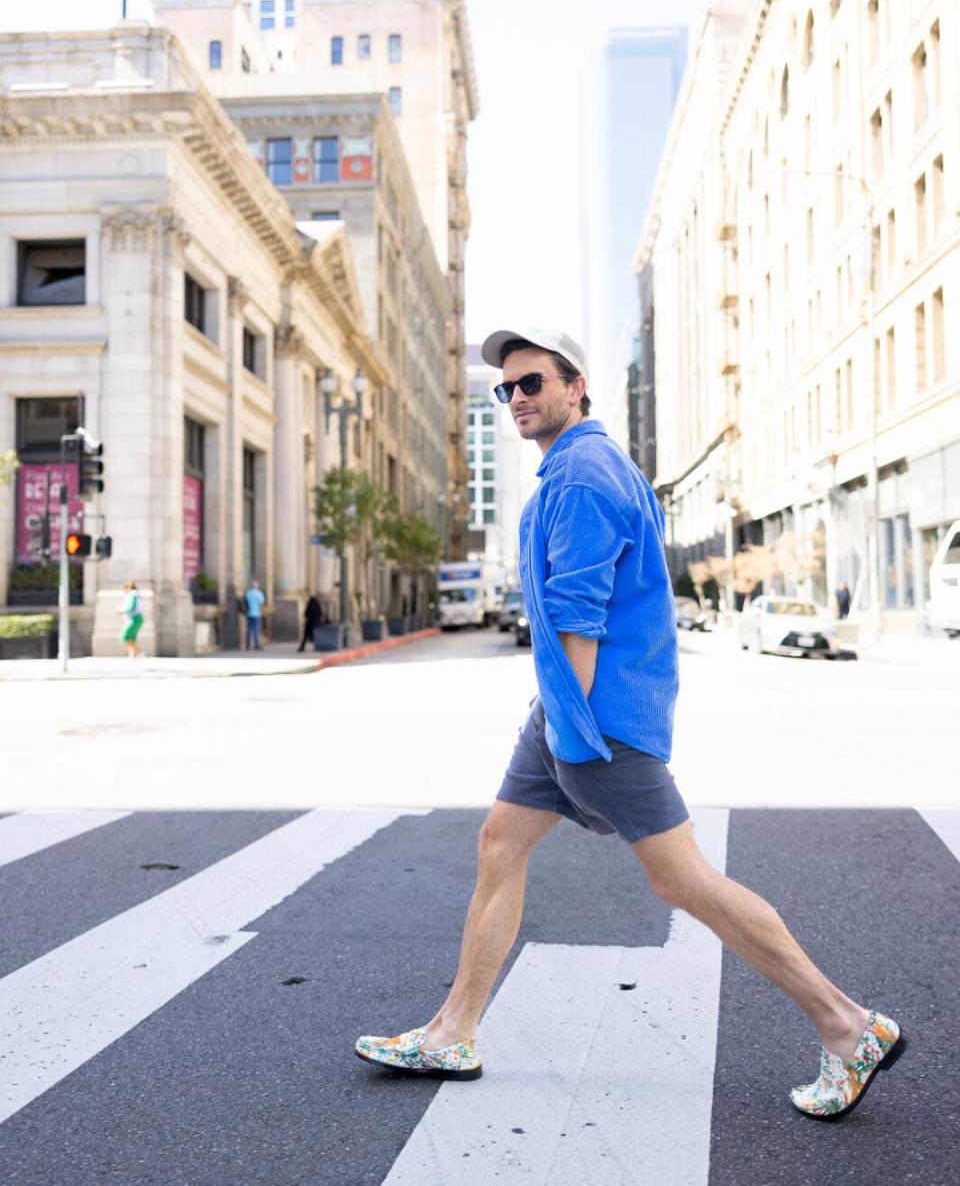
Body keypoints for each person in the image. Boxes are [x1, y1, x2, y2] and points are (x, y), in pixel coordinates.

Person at [355, 326, 906, 1119]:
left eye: (533, 383)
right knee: (499, 845)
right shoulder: (585, 467)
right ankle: (453, 1030)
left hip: (597, 720)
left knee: (681, 880)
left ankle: (849, 1025)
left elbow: (580, 611)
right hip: (568, 710)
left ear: (576, 386)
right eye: (506, 389)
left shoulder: (580, 476)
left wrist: (571, 731)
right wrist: (552, 715)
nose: (517, 399)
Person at [118, 580, 144, 659]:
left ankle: (139, 652)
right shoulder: (135, 594)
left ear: (127, 588)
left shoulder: (132, 594)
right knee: (132, 637)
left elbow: (131, 606)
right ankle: (133, 655)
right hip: (137, 618)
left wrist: (122, 610)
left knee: (125, 636)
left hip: (134, 618)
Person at [244, 579, 266, 650]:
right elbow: (261, 604)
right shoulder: (259, 594)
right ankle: (256, 645)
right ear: (257, 586)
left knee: (249, 630)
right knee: (256, 630)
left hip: (249, 613)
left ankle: (247, 645)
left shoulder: (248, 593)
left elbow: (245, 602)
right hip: (257, 614)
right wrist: (262, 612)